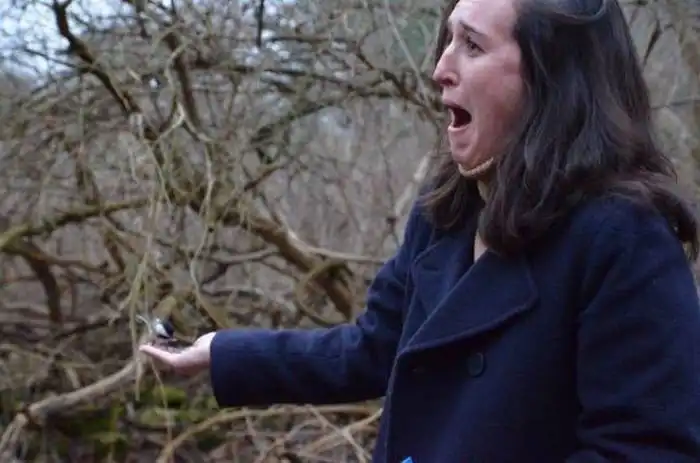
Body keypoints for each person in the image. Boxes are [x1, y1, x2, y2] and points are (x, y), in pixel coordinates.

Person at [139, 0, 700, 460]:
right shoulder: (447, 212)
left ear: (550, 79)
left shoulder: (625, 238)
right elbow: (373, 348)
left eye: (472, 46)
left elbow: (645, 450)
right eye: (448, 39)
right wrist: (226, 353)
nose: (440, 68)